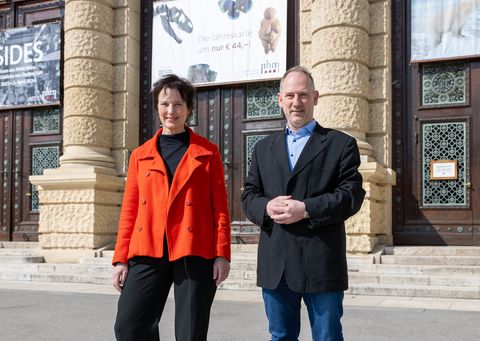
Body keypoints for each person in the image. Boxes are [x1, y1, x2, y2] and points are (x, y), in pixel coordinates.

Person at [241, 66, 365, 341]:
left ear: (316, 97)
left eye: (303, 95)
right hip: (277, 264)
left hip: (321, 262)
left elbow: (351, 195)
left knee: (328, 337)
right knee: (280, 336)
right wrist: (265, 207)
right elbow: (249, 195)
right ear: (280, 99)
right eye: (290, 95)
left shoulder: (340, 144)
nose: (296, 102)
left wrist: (306, 209)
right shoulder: (263, 148)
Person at [112, 74, 231, 341]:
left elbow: (220, 208)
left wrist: (222, 254)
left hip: (194, 250)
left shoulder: (207, 152)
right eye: (165, 103)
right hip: (148, 249)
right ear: (157, 107)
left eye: (178, 104)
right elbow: (130, 211)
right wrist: (121, 259)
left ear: (188, 108)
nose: (171, 111)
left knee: (190, 333)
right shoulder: (140, 156)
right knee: (129, 326)